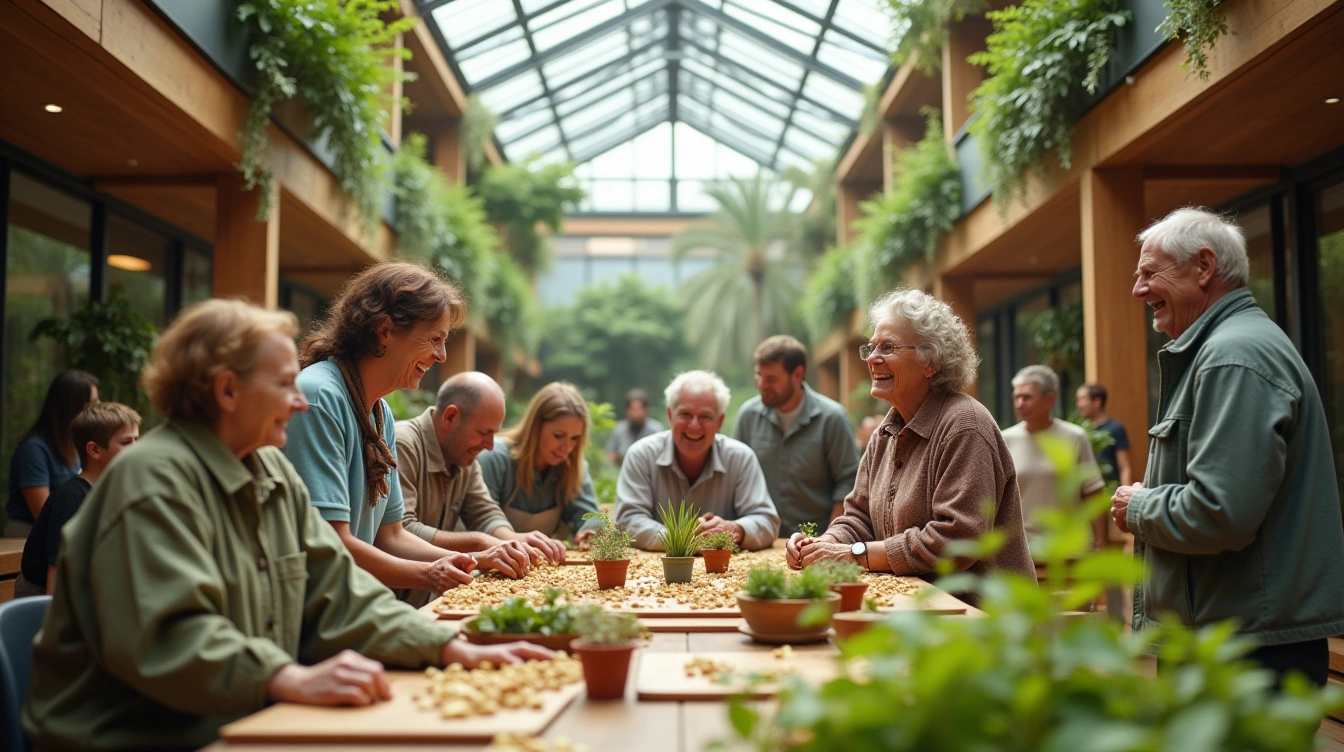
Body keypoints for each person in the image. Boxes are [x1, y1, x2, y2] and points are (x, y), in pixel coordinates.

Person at [23, 299, 550, 751]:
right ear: (228, 391)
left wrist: (446, 647)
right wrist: (286, 676)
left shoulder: (269, 469)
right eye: (283, 384)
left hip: (235, 723)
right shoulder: (150, 482)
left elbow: (336, 590)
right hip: (136, 739)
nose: (300, 401)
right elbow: (171, 636)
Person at [1111, 207, 1344, 687]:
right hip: (1236, 638)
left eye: (1150, 273)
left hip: (1245, 654)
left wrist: (1138, 506)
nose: (1138, 290)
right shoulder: (1228, 348)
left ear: (1203, 267)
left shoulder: (1231, 356)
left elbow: (1219, 511)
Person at [786, 289, 1034, 591]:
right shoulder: (884, 434)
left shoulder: (965, 425)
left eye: (888, 347)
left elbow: (958, 539)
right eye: (871, 348)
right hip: (920, 615)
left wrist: (855, 555)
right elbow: (859, 519)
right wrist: (823, 546)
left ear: (931, 362)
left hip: (982, 624)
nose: (873, 359)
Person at [283, 262, 483, 596]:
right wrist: (433, 574)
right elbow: (331, 542)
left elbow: (389, 536)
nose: (442, 355)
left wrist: (475, 560)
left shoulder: (379, 412)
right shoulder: (318, 397)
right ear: (385, 330)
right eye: (435, 339)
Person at [395, 372, 566, 606]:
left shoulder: (464, 457)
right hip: (384, 601)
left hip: (422, 600)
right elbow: (400, 531)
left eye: (494, 434)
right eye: (484, 433)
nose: (490, 445)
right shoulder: (403, 444)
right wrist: (482, 544)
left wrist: (514, 541)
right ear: (451, 417)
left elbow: (484, 513)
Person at [615, 370, 780, 551]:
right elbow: (627, 521)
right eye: (685, 414)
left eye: (705, 417)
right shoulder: (641, 455)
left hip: (725, 574)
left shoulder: (741, 458)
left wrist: (734, 530)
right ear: (670, 415)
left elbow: (766, 521)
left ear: (720, 421)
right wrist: (682, 538)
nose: (694, 425)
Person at [734, 335, 859, 537]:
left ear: (798, 374)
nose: (762, 384)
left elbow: (848, 483)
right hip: (759, 541)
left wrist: (829, 540)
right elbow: (735, 478)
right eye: (759, 375)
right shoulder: (748, 415)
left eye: (771, 379)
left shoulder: (832, 418)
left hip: (814, 541)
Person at [16, 401, 140, 598]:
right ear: (94, 450)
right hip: (42, 605)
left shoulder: (112, 492)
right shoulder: (70, 499)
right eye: (126, 442)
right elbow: (56, 577)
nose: (136, 449)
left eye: (136, 440)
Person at [478, 382, 603, 545]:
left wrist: (590, 530)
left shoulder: (573, 467)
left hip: (539, 564)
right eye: (558, 436)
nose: (567, 448)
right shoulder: (494, 457)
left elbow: (590, 517)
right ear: (535, 427)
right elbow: (480, 519)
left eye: (574, 439)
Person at [1003, 365, 1108, 554]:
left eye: (1027, 397)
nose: (1019, 404)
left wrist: (1101, 545)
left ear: (1049, 399)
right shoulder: (1004, 440)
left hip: (1070, 551)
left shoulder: (1075, 437)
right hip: (1023, 553)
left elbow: (1094, 494)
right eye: (1016, 397)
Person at [5, 369, 99, 537]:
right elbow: (41, 510)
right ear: (72, 407)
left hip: (63, 535)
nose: (97, 411)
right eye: (92, 404)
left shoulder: (75, 445)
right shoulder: (34, 449)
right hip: (28, 539)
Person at [1075, 383, 1133, 487]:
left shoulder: (1116, 429)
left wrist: (1126, 496)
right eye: (1078, 400)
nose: (1079, 405)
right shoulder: (1079, 431)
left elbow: (1124, 467)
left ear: (1097, 402)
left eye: (1082, 399)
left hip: (1109, 491)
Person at [605, 388, 662, 464]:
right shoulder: (619, 429)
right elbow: (610, 455)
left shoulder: (656, 430)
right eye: (632, 409)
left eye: (639, 409)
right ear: (626, 410)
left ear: (646, 410)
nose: (635, 414)